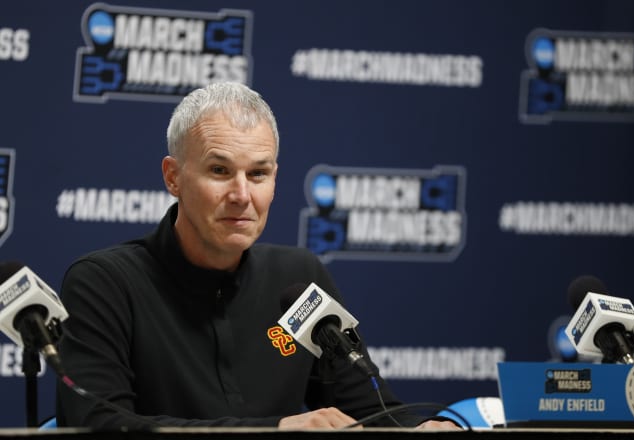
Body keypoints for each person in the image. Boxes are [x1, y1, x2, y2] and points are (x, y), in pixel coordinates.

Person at [55, 82, 459, 431]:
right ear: (173, 177)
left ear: (275, 180)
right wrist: (276, 430)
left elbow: (372, 412)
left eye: (258, 174)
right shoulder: (104, 282)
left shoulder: (298, 279)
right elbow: (98, 423)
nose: (242, 195)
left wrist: (424, 426)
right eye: (219, 170)